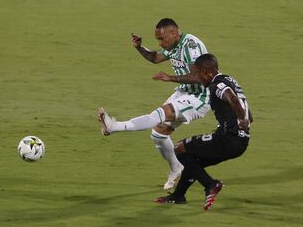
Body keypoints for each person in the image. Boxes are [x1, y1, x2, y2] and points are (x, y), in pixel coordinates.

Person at [98, 18, 210, 190]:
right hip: (184, 91)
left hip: (199, 96)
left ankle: (114, 126)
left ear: (173, 33)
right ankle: (176, 168)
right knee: (158, 134)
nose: (160, 43)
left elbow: (199, 77)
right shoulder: (173, 45)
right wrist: (139, 48)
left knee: (159, 114)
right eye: (158, 39)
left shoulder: (191, 46)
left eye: (161, 39)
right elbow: (156, 58)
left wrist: (170, 77)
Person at [153, 53, 253, 211]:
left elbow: (232, 98)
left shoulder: (217, 85)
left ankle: (211, 184)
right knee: (193, 161)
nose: (198, 78)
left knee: (179, 149)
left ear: (207, 71)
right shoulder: (230, 79)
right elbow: (243, 105)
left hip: (228, 139)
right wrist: (245, 120)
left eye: (198, 73)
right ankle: (178, 196)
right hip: (241, 141)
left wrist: (241, 119)